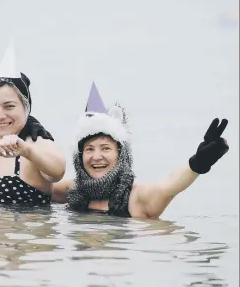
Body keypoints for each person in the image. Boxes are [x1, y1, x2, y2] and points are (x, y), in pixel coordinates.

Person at [51, 82, 230, 218]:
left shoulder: (136, 198)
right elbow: (32, 186)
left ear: (121, 155)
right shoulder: (73, 190)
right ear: (80, 157)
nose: (96, 157)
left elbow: (168, 187)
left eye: (105, 148)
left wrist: (198, 163)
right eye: (89, 149)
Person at [0, 43, 66, 206]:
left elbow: (58, 171)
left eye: (9, 106)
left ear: (26, 108)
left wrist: (26, 151)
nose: (0, 115)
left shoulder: (37, 143)